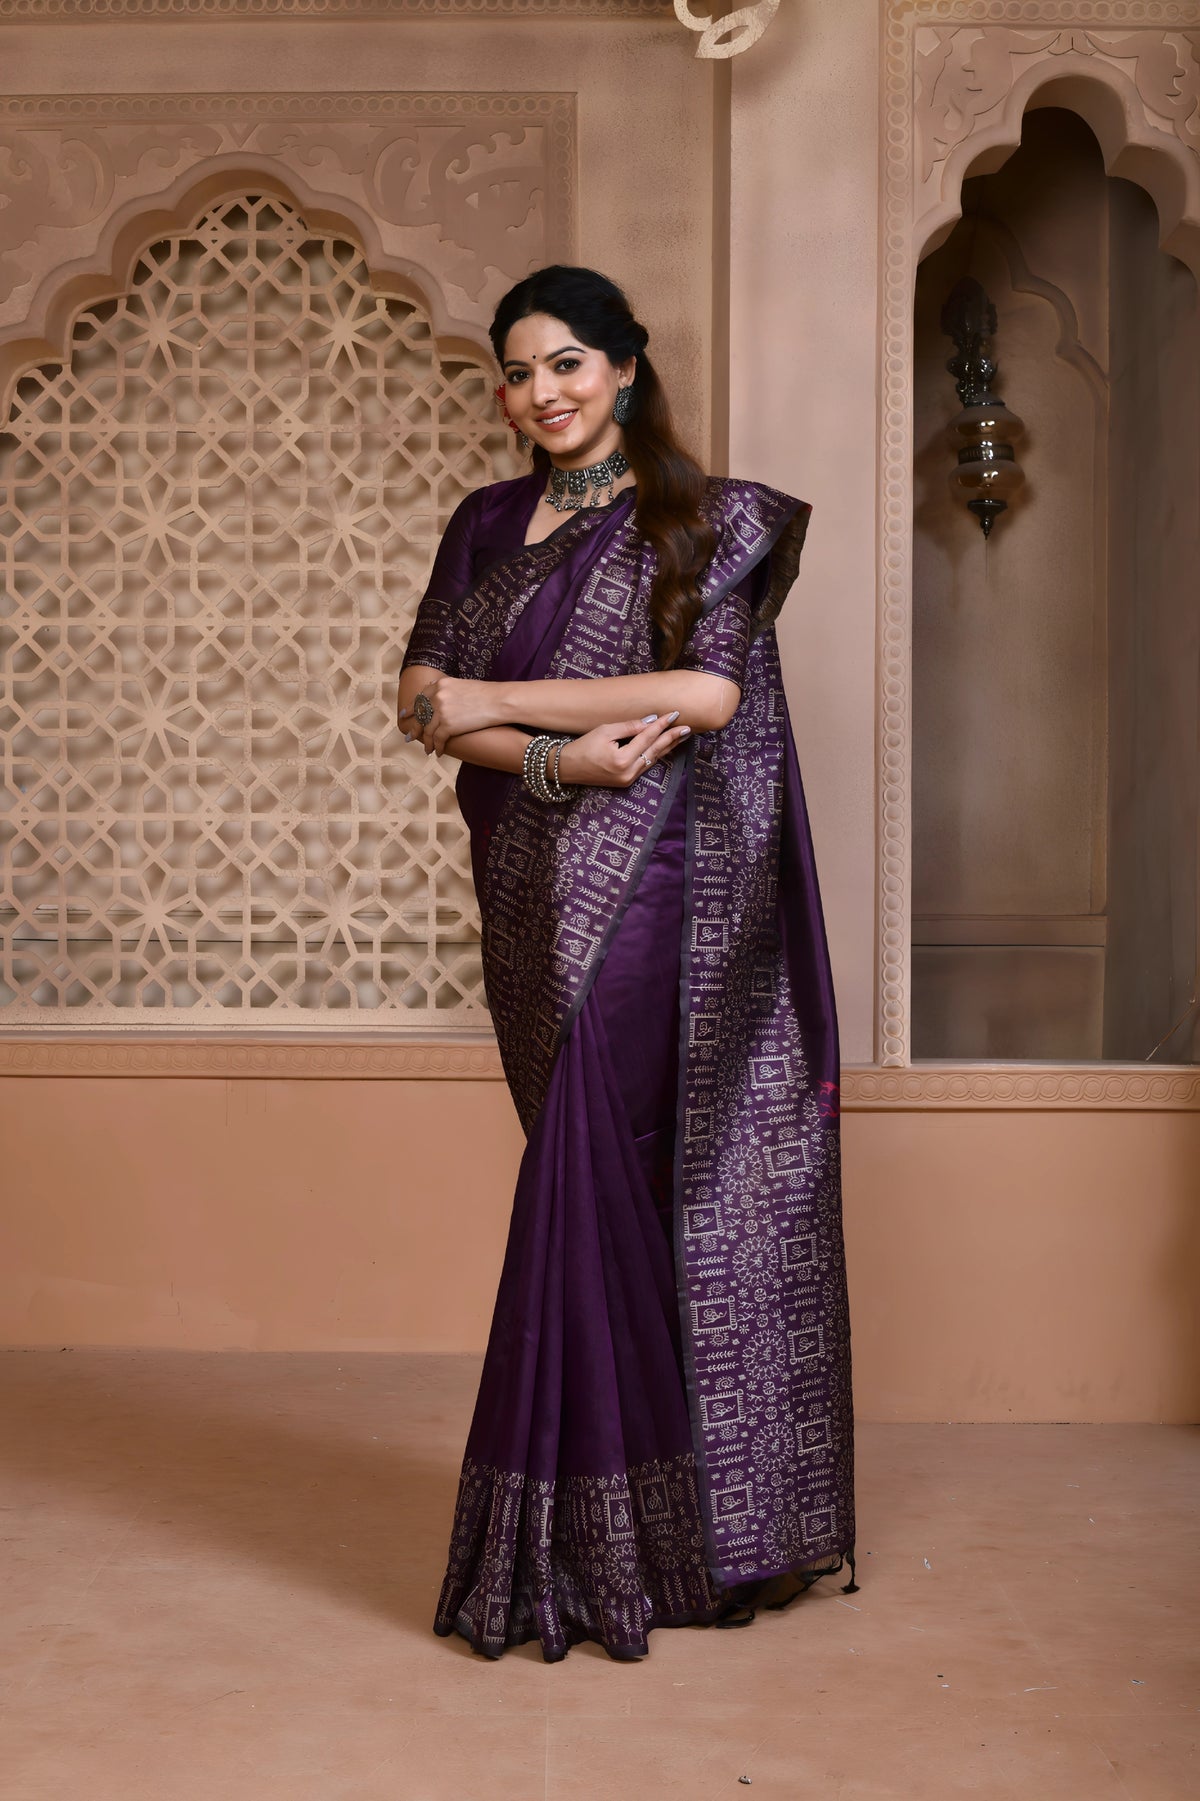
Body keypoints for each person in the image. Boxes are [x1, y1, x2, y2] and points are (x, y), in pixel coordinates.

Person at [397, 264, 855, 1663]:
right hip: (529, 881)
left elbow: (704, 692)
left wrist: (493, 700)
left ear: (626, 369)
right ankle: (637, 1530)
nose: (544, 393)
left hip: (654, 886)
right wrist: (555, 758)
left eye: (569, 364)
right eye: (520, 372)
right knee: (584, 1167)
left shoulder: (702, 518)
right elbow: (418, 700)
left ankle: (645, 1543)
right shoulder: (486, 524)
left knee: (618, 1167)